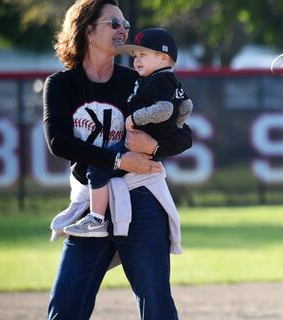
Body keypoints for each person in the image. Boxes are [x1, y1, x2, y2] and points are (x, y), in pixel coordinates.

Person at [15, 0, 195, 320]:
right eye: (113, 23)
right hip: (93, 203)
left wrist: (154, 146)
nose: (122, 31)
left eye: (124, 23)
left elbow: (182, 132)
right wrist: (116, 160)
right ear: (86, 29)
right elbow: (60, 143)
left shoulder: (135, 78)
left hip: (140, 198)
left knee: (154, 298)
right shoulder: (62, 84)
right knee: (67, 301)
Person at [64, 27, 193, 238]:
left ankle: (96, 219)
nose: (136, 60)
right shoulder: (169, 80)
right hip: (151, 144)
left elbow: (165, 109)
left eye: (143, 55)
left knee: (97, 167)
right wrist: (176, 125)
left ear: (162, 57)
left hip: (138, 143)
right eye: (135, 56)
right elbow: (186, 105)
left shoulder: (158, 80)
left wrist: (134, 119)